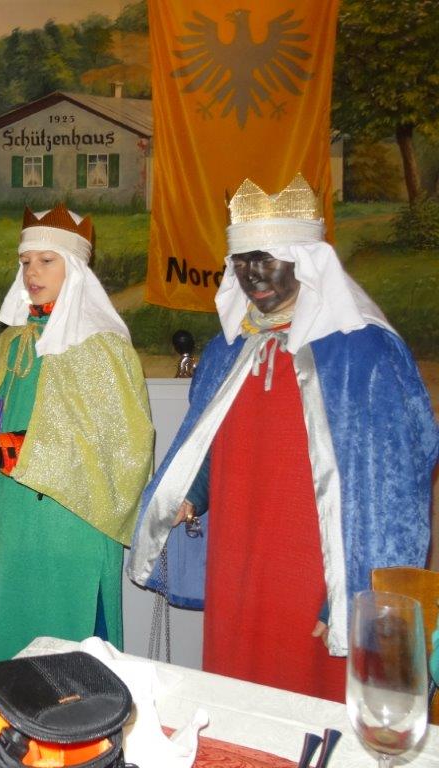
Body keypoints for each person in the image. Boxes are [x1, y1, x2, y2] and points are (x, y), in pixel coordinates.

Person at [129, 173, 439, 701]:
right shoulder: (230, 348)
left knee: (307, 697)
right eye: (242, 262)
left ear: (307, 262)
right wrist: (191, 495)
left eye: (268, 259)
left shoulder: (362, 353)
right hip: (239, 556)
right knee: (236, 686)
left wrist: (350, 595)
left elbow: (395, 495)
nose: (253, 276)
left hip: (316, 564)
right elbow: (211, 443)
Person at [0, 204, 154, 663]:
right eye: (25, 262)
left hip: (72, 526)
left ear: (76, 268)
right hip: (14, 523)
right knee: (14, 651)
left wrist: (1, 450)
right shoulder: (13, 341)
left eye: (47, 261)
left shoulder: (102, 345)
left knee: (72, 661)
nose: (32, 273)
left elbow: (120, 450)